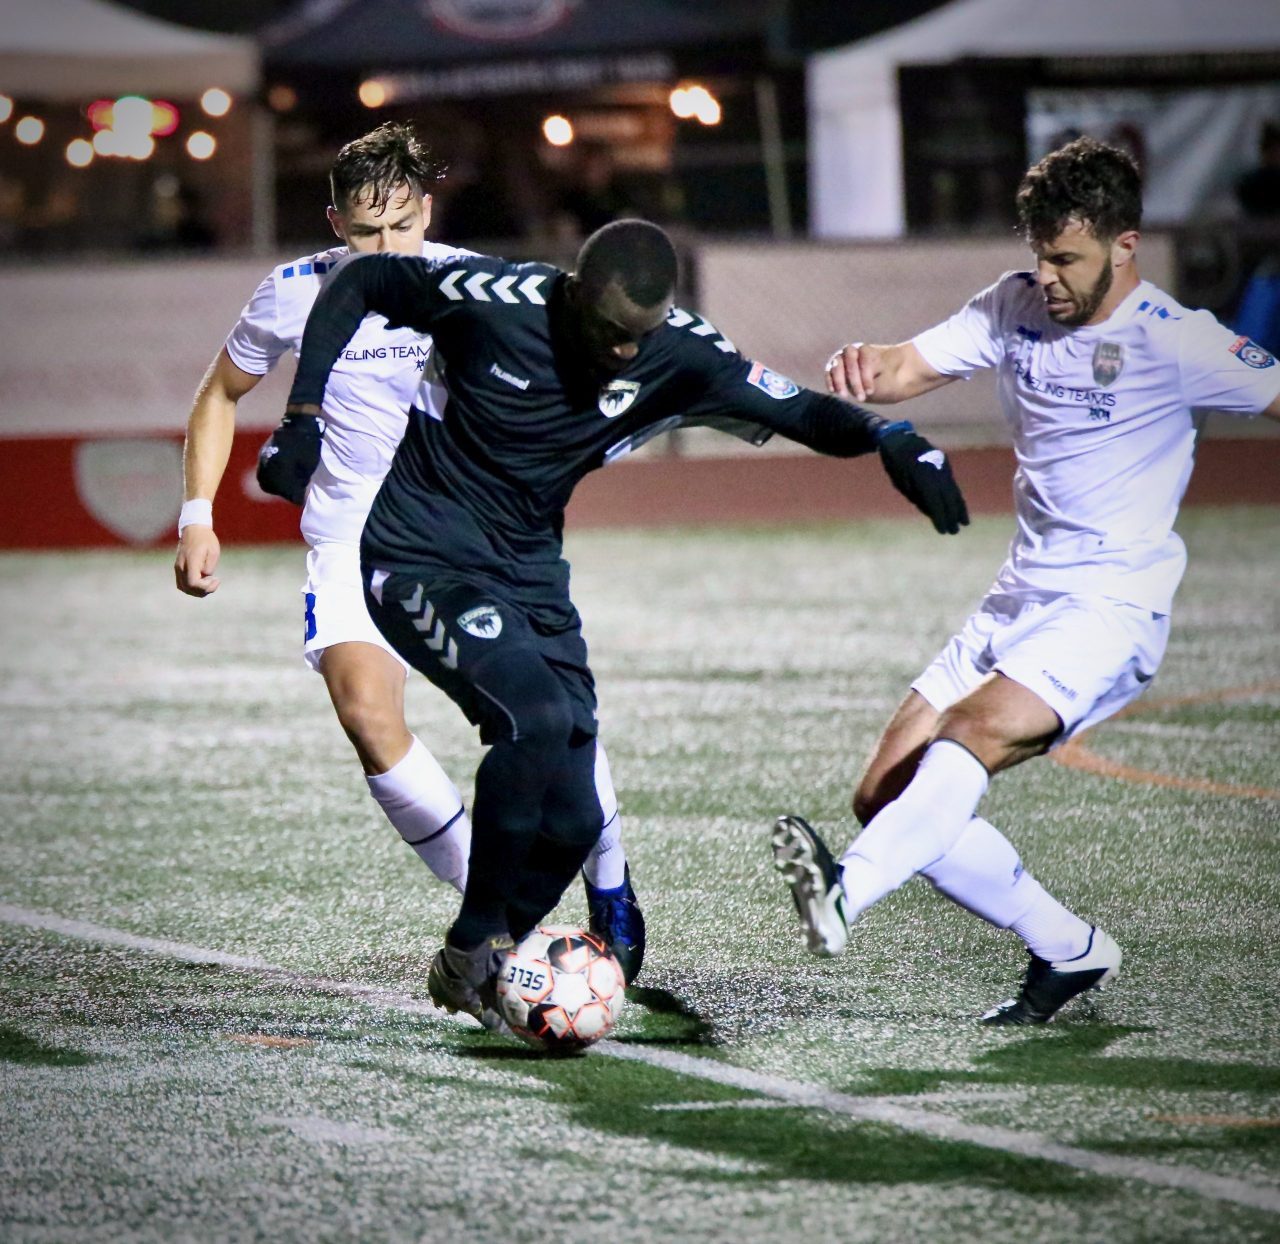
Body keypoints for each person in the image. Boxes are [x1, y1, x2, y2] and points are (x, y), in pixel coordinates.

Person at [284, 217, 969, 1028]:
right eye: (610, 333)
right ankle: (476, 948)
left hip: (532, 579)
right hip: (419, 557)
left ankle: (486, 955)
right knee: (531, 720)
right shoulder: (495, 301)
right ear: (575, 294)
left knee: (574, 820)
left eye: (636, 337)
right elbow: (361, 282)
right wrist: (303, 414)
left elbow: (799, 411)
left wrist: (889, 436)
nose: (623, 353)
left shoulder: (676, 352)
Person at [772, 137, 1280, 1025]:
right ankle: (1070, 948)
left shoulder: (1179, 339)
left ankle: (842, 897)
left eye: (1066, 258)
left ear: (1125, 245)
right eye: (1038, 253)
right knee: (884, 794)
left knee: (968, 734)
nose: (1047, 275)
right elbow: (906, 366)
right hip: (1020, 595)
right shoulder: (1013, 307)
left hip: (1112, 605)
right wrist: (864, 368)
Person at [172, 122, 647, 985]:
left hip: (465, 534)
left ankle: (610, 884)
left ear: (427, 213)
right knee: (366, 713)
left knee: (539, 713)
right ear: (333, 223)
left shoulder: (480, 288)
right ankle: (502, 922)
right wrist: (197, 515)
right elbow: (220, 392)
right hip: (352, 540)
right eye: (363, 231)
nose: (384, 247)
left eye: (400, 227)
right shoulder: (292, 292)